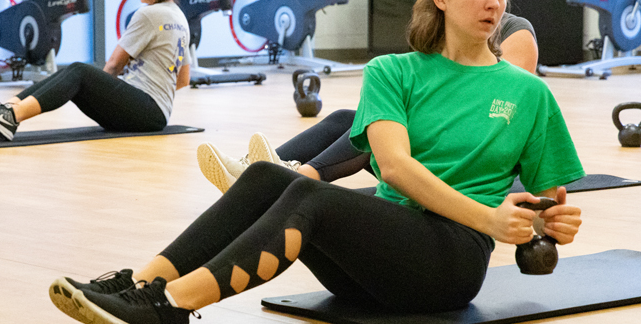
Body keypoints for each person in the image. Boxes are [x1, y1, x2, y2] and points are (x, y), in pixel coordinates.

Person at [49, 0, 585, 324]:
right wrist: (494, 216)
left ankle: (171, 310)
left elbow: (547, 202)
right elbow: (394, 168)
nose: (495, 4)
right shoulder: (393, 72)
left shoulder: (528, 93)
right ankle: (139, 286)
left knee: (312, 195)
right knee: (266, 177)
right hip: (375, 263)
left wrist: (545, 221)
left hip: (449, 264)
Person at [199, 12, 540, 193]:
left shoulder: (515, 30)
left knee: (377, 128)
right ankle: (258, 171)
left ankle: (282, 179)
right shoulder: (446, 36)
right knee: (348, 118)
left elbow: (500, 109)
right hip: (435, 143)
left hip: (470, 159)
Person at [0, 0, 190, 140]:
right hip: (156, 113)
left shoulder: (148, 14)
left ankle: (11, 116)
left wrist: (103, 89)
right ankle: (6, 109)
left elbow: (113, 65)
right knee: (74, 75)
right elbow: (183, 80)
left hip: (144, 111)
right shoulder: (179, 18)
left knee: (79, 71)